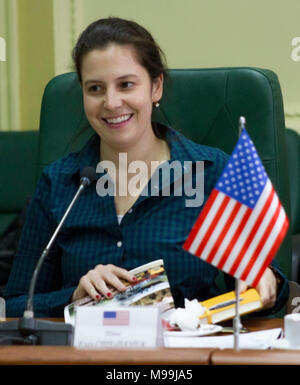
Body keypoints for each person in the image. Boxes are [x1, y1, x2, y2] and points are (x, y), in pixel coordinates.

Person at [4, 17, 289, 317]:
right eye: (95, 88)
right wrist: (74, 295)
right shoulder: (59, 183)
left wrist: (264, 278)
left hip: (184, 355)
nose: (111, 102)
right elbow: (14, 304)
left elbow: (272, 285)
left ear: (156, 87)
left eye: (126, 84)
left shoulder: (210, 170)